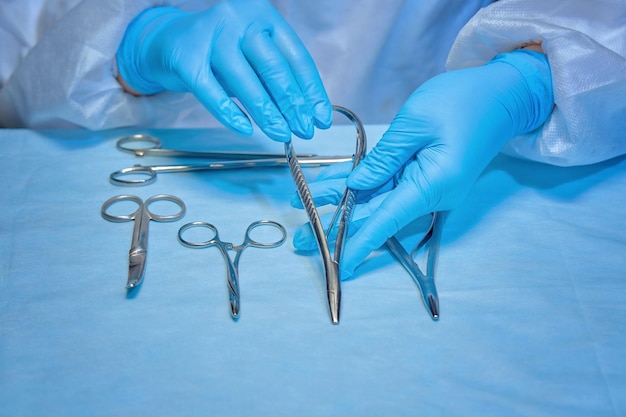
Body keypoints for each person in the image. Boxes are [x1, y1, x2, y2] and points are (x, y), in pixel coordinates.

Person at [1, 0, 625, 278]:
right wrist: (132, 41)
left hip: (444, 112)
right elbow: (18, 62)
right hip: (159, 123)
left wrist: (534, 77)